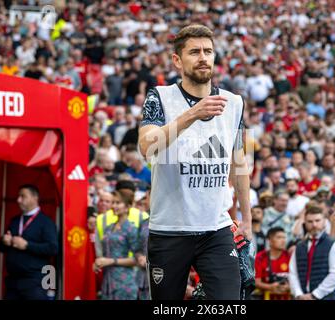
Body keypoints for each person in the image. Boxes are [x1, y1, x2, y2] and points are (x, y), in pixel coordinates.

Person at [138, 25, 251, 300]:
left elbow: (239, 163)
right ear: (177, 60)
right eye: (195, 52)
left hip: (217, 228)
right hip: (170, 229)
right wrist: (192, 114)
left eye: (208, 51)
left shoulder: (234, 102)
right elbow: (147, 148)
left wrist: (246, 219)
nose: (203, 57)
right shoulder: (159, 97)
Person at [0, 185, 57, 300]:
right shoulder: (14, 221)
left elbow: (53, 248)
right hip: (13, 282)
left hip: (35, 282)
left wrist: (27, 245)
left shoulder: (46, 222)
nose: (18, 200)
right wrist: (4, 241)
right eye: (18, 196)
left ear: (35, 198)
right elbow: (1, 248)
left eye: (23, 196)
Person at [288, 204, 335, 300]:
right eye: (310, 221)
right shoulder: (300, 246)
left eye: (317, 221)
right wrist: (299, 294)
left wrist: (315, 295)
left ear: (324, 222)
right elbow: (293, 273)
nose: (314, 225)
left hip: (327, 297)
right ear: (305, 223)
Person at [93, 191, 139, 300]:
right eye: (113, 202)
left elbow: (138, 259)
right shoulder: (108, 228)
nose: (113, 206)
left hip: (124, 284)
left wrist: (111, 261)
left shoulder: (131, 228)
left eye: (118, 203)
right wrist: (98, 262)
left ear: (127, 206)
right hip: (107, 283)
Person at [255, 227, 290, 300]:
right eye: (279, 237)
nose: (283, 241)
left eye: (284, 237)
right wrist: (270, 287)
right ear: (269, 241)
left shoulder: (289, 256)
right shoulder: (260, 257)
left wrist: (288, 286)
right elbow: (256, 282)